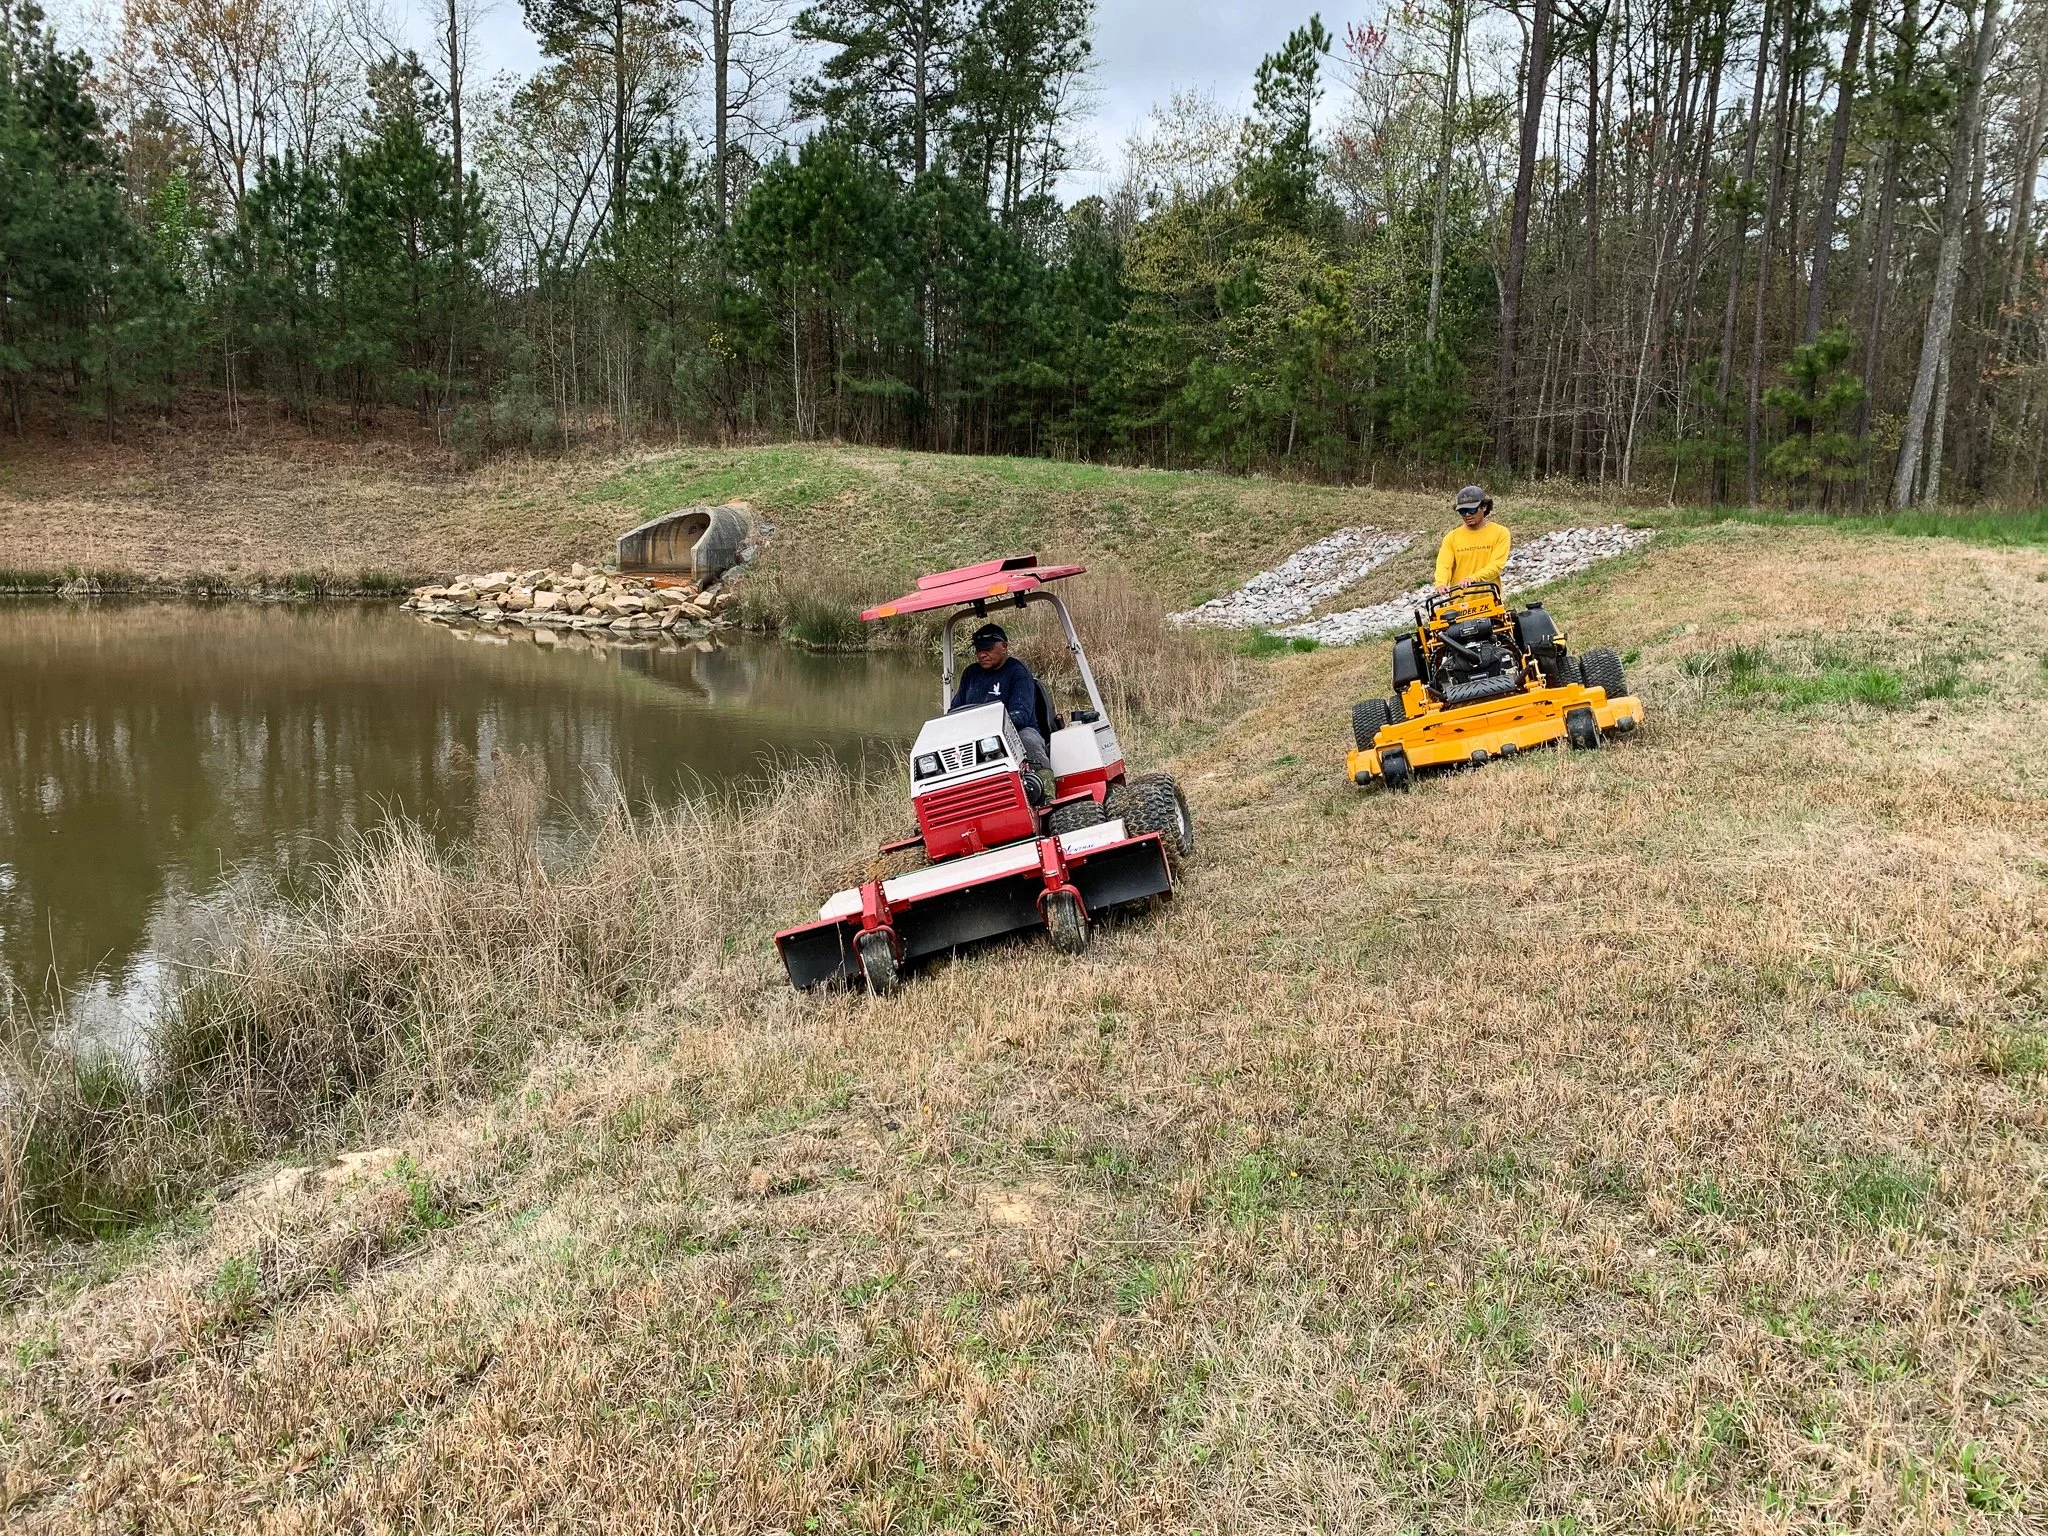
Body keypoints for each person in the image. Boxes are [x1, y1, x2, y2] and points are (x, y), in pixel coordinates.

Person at [952, 623, 1056, 799]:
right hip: (976, 734)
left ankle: (1046, 794)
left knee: (1028, 740)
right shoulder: (970, 673)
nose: (982, 654)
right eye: (978, 650)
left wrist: (988, 727)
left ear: (1004, 647)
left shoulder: (1018, 672)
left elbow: (1021, 715)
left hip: (1017, 731)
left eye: (988, 649)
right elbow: (955, 709)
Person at [1434, 485, 1512, 592]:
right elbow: (1444, 565)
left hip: (1490, 598)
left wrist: (1473, 578)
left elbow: (1497, 565)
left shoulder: (1500, 533)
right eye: (1462, 511)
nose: (1467, 515)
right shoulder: (1451, 538)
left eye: (1471, 510)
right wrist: (1441, 583)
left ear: (1484, 507)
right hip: (1458, 601)